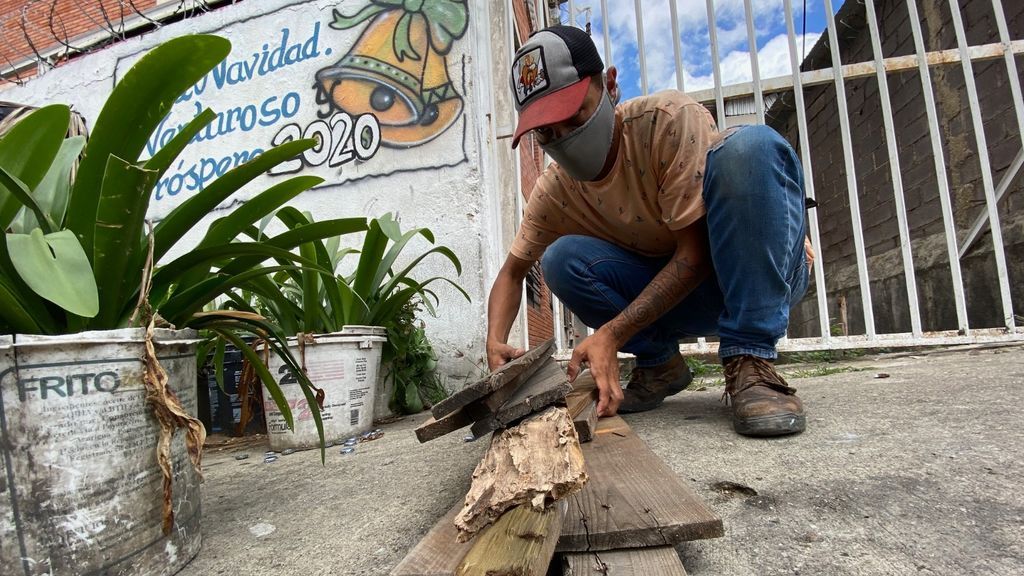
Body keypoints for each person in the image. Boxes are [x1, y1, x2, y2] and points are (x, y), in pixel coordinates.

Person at [487, 25, 814, 437]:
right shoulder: (556, 190)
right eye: (547, 132)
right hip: (684, 300)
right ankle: (661, 365)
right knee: (561, 259)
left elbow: (694, 255)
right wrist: (495, 340)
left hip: (756, 274)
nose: (565, 139)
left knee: (749, 148)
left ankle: (752, 359)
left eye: (573, 116)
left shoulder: (665, 122)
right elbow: (512, 272)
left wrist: (611, 333)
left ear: (609, 85)